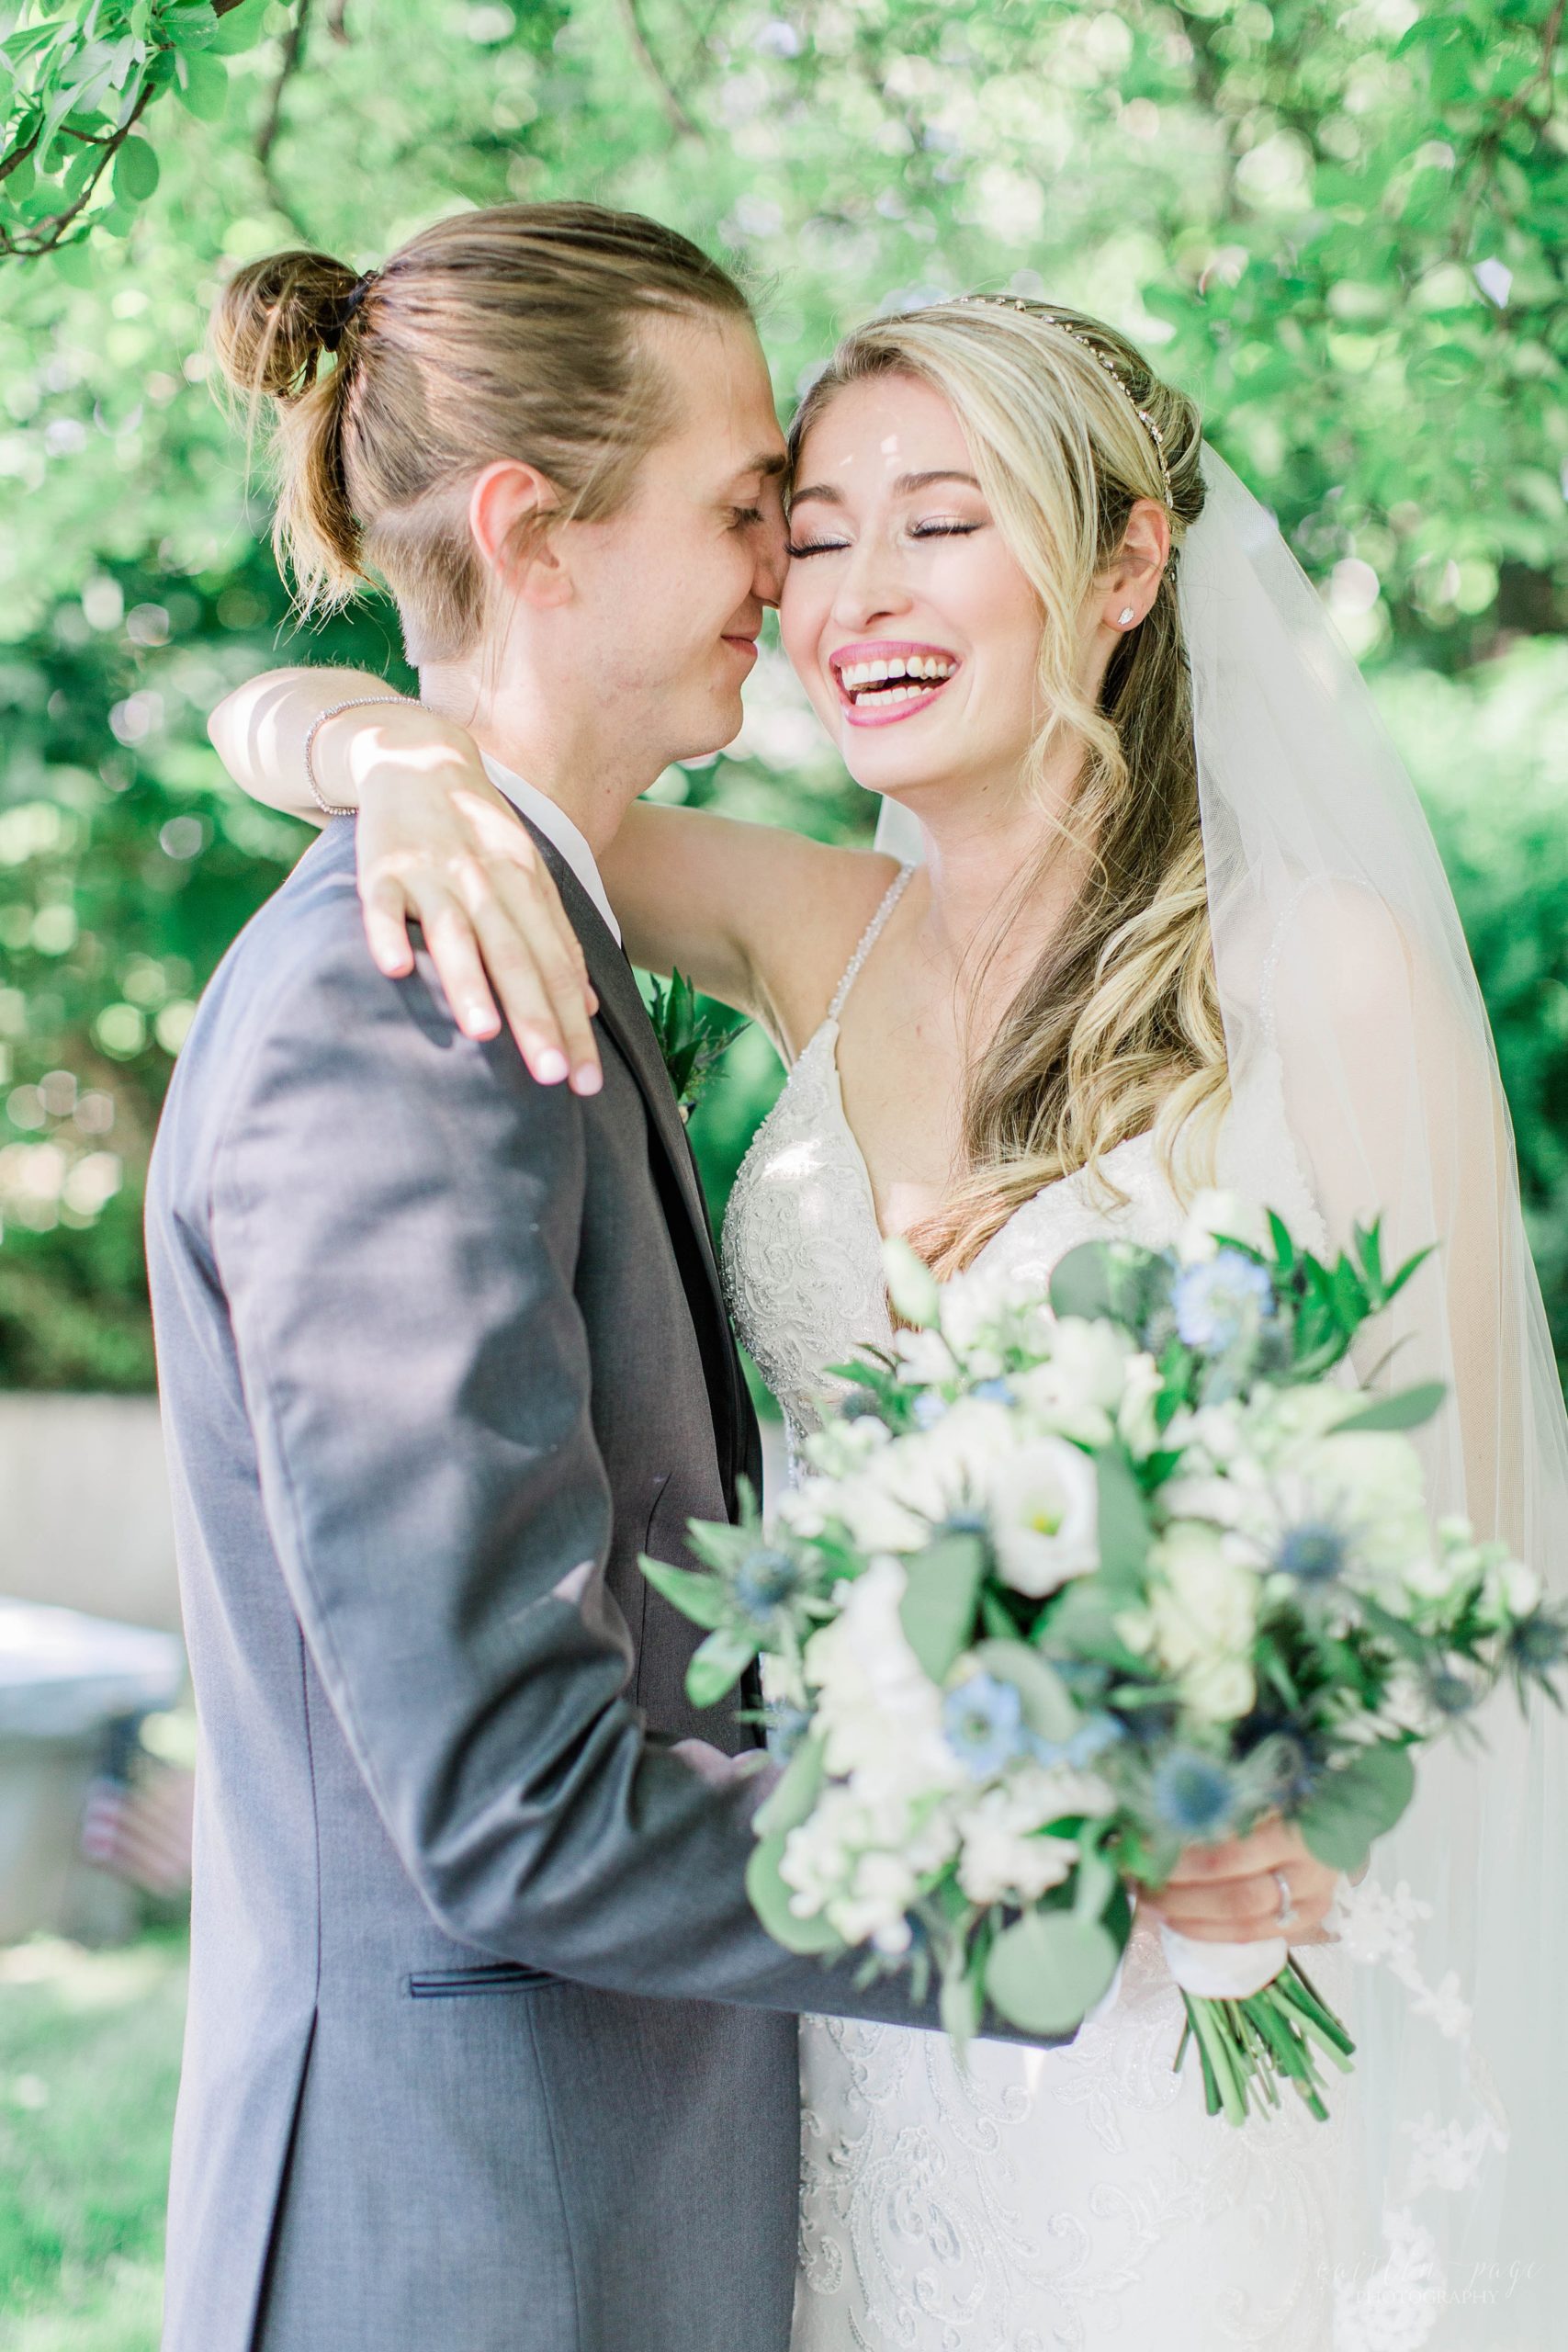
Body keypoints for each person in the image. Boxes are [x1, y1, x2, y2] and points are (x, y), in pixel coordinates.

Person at [200, 236, 1464, 2350]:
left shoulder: (1318, 975)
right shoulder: (801, 925)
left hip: (1173, 1975)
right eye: (796, 525)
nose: (843, 590)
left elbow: (1433, 1550)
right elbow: (463, 736)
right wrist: (377, 759)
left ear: (1125, 567)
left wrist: (1203, 1754)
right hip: (851, 2010)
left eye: (939, 524)